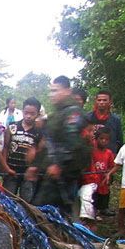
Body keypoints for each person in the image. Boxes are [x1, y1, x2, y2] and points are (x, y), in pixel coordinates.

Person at [29, 76, 89, 214]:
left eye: (56, 91)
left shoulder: (72, 112)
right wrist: (36, 166)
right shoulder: (58, 113)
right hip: (52, 173)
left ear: (67, 91)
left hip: (64, 174)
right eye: (51, 91)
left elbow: (72, 143)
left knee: (48, 211)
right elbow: (50, 143)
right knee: (44, 210)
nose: (52, 95)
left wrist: (59, 165)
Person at [3, 97, 43, 203]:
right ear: (22, 111)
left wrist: (34, 168)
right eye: (26, 113)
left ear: (38, 114)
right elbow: (6, 147)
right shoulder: (12, 127)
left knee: (26, 203)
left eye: (32, 113)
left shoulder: (39, 131)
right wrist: (6, 167)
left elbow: (40, 152)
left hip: (28, 174)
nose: (28, 116)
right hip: (11, 171)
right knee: (7, 201)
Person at [78, 128, 115, 230]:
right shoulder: (92, 151)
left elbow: (112, 167)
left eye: (106, 139)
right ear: (96, 139)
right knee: (91, 199)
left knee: (100, 200)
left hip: (102, 182)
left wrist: (108, 174)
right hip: (91, 180)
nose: (103, 141)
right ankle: (89, 220)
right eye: (101, 138)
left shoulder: (109, 153)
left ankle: (94, 217)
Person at [86, 90, 123, 154]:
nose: (101, 102)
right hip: (91, 154)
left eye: (104, 100)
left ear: (110, 102)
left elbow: (119, 141)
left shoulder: (115, 120)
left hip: (109, 155)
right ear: (96, 101)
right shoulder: (87, 117)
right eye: (99, 100)